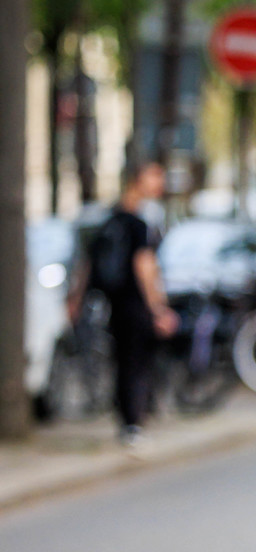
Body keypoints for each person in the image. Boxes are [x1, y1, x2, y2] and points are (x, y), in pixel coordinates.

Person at [78, 160, 177, 447]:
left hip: (114, 302)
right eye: (154, 176)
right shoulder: (138, 223)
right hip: (136, 303)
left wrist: (76, 298)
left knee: (123, 360)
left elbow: (88, 262)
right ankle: (134, 423)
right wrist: (158, 307)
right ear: (138, 180)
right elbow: (144, 266)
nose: (160, 183)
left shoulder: (109, 219)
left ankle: (128, 419)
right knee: (137, 362)